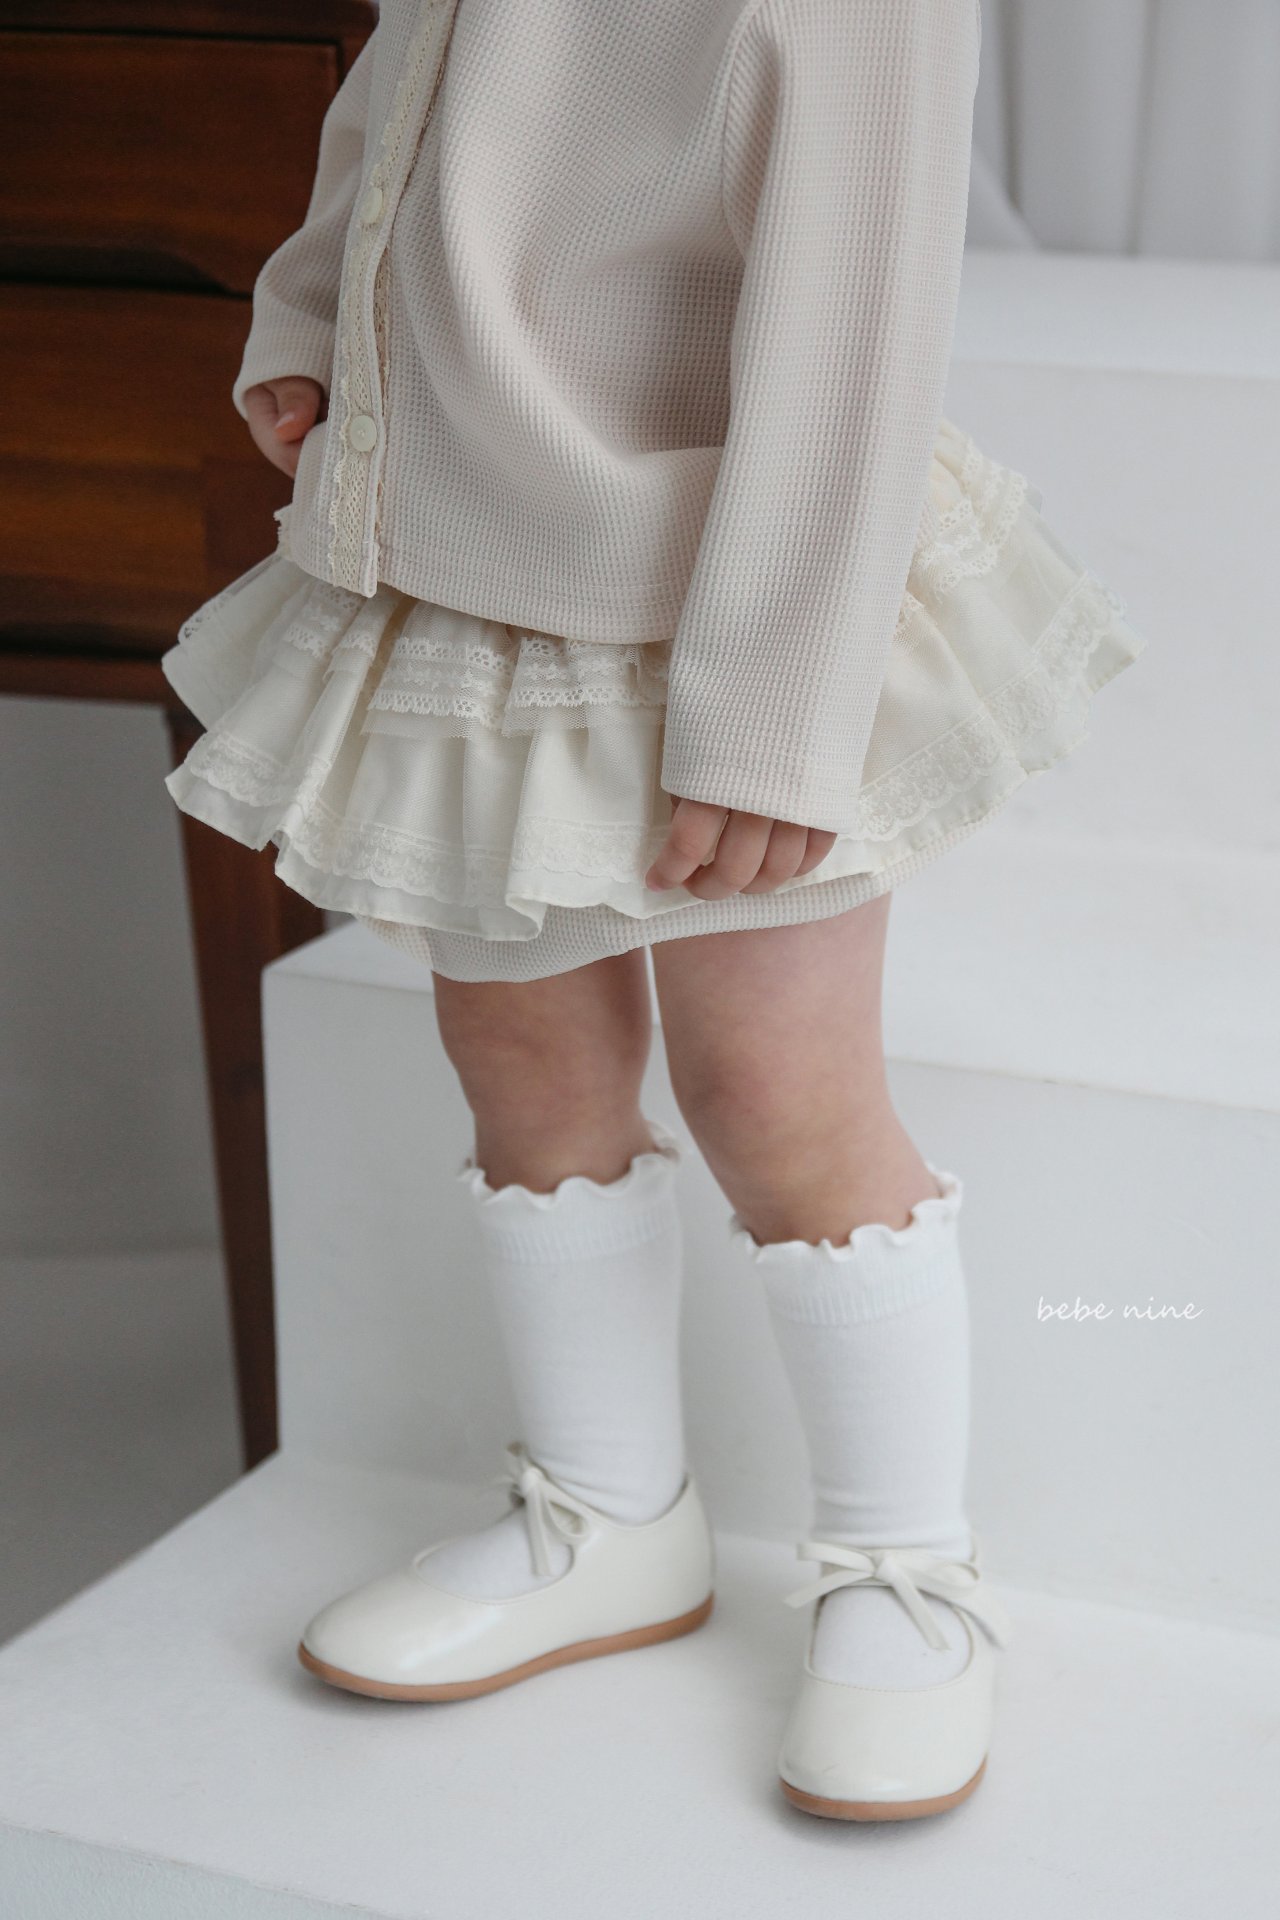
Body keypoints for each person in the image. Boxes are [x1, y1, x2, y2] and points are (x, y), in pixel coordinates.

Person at [161, 0, 1145, 1821]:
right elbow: (411, 75)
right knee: (520, 1056)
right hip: (470, 542)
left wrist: (777, 713)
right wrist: (313, 316)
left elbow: (857, 303)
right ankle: (611, 1511)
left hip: (737, 578)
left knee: (779, 1092)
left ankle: (904, 1562)